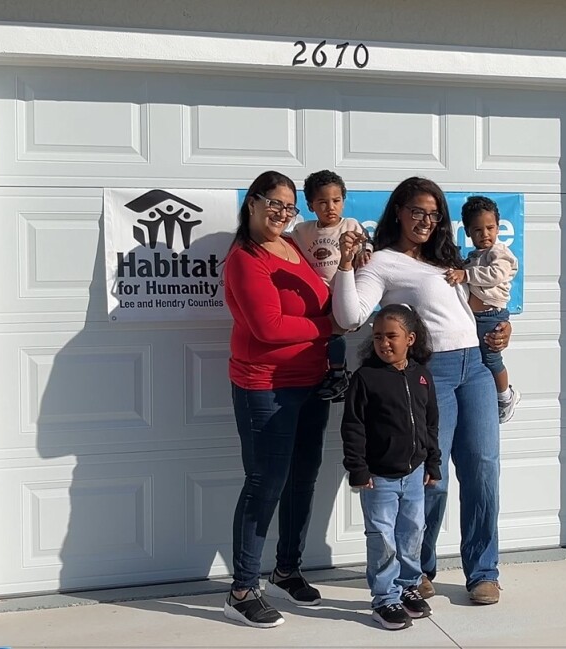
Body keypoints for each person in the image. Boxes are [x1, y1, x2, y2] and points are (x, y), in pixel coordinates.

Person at [332, 177, 511, 606]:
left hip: (476, 366)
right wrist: (346, 267)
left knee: (483, 471)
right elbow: (350, 317)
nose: (426, 221)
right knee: (433, 477)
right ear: (398, 211)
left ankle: (483, 572)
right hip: (435, 372)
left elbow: (475, 306)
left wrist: (503, 329)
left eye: (433, 214)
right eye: (417, 211)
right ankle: (418, 568)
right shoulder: (382, 262)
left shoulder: (448, 259)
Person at [222, 170, 344, 628]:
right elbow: (268, 328)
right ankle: (241, 590)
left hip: (311, 382)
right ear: (252, 203)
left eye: (289, 206)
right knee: (265, 482)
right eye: (273, 202)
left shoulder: (292, 246)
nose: (281, 212)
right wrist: (330, 327)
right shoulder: (245, 258)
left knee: (302, 479)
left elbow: (320, 300)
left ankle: (286, 570)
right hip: (266, 386)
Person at [341, 304, 441, 630]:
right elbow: (353, 426)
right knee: (383, 539)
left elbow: (430, 423)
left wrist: (433, 462)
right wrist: (358, 468)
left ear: (410, 338)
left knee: (412, 533)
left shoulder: (422, 376)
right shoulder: (365, 378)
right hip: (379, 478)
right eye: (378, 337)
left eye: (391, 336)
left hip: (415, 474)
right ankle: (384, 599)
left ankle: (408, 586)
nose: (384, 343)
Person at [290, 170, 372, 401]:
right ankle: (324, 373)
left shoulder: (351, 225)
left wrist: (364, 252)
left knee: (336, 332)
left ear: (343, 201)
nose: (330, 207)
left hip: (342, 293)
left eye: (336, 201)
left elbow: (366, 244)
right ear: (310, 205)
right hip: (315, 295)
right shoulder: (302, 231)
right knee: (316, 334)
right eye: (322, 202)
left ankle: (338, 373)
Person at [445, 196, 520, 423]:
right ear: (468, 232)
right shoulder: (472, 257)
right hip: (474, 318)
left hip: (491, 316)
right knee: (479, 361)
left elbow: (495, 274)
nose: (485, 234)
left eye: (490, 228)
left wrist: (465, 275)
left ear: (498, 227)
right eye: (478, 230)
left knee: (492, 358)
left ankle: (506, 396)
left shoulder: (499, 253)